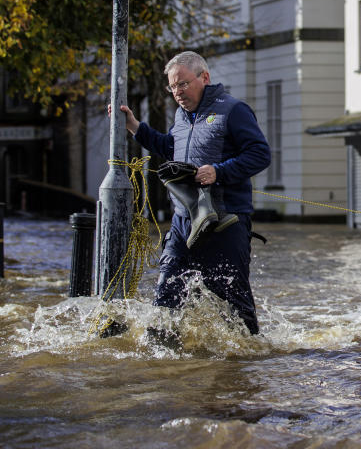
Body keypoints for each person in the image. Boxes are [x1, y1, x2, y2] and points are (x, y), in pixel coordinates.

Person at [115, 51, 271, 334]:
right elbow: (169, 146)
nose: (177, 92)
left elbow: (260, 154)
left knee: (235, 309)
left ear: (205, 77)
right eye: (173, 86)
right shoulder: (181, 116)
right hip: (183, 223)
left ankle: (250, 359)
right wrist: (134, 127)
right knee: (165, 299)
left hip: (225, 222)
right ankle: (165, 363)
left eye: (183, 84)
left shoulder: (233, 110)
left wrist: (218, 171)